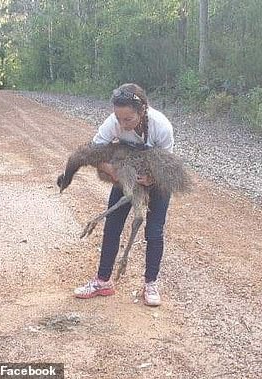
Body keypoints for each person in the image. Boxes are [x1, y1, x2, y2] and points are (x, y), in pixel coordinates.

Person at [74, 83, 175, 307]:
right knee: (112, 226)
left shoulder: (162, 127)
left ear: (143, 110)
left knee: (154, 231)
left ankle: (150, 283)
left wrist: (152, 179)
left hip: (158, 179)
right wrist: (114, 172)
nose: (122, 125)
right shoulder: (113, 123)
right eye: (118, 119)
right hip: (126, 175)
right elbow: (92, 153)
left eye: (128, 119)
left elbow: (168, 165)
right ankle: (103, 281)